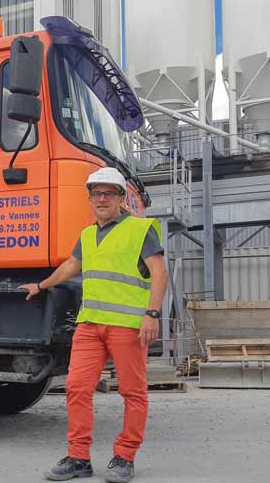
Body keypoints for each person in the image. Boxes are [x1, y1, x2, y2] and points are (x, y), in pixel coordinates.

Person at [20, 167, 167, 483]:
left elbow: (160, 273)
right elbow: (71, 266)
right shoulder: (88, 234)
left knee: (132, 392)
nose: (101, 199)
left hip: (128, 326)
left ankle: (125, 457)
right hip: (90, 325)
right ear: (90, 198)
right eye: (96, 194)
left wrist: (152, 314)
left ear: (120, 198)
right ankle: (78, 458)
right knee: (76, 388)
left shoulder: (140, 229)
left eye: (108, 193)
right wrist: (42, 286)